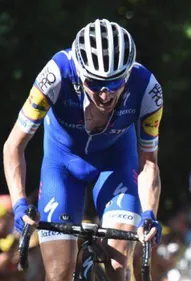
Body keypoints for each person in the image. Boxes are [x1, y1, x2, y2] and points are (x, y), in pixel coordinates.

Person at [3, 19, 163, 281]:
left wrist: (149, 213)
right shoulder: (55, 74)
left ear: (129, 73)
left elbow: (148, 162)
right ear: (79, 75)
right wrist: (20, 204)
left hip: (116, 165)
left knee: (120, 269)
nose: (105, 95)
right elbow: (14, 145)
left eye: (115, 83)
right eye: (95, 83)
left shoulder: (148, 89)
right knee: (59, 273)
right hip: (62, 166)